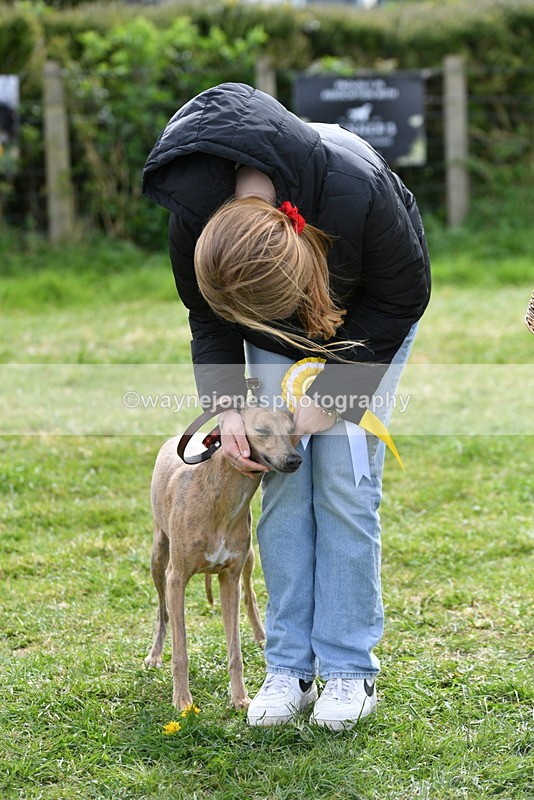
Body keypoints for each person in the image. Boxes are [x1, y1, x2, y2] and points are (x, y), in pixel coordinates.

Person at [142, 82, 431, 729]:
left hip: (369, 315)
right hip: (271, 315)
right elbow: (207, 316)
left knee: (343, 484)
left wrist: (333, 397)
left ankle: (349, 669)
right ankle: (289, 666)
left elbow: (402, 297)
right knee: (283, 483)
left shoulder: (359, 193)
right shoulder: (194, 218)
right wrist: (228, 408)